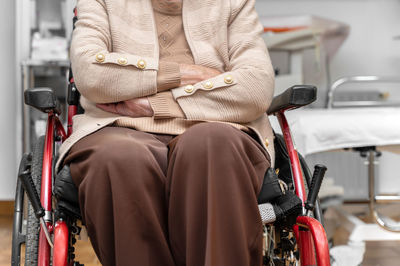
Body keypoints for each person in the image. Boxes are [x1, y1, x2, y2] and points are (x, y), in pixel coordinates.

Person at [58, 0, 275, 265]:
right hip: (116, 127)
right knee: (120, 157)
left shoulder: (232, 4)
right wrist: (186, 73)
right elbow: (92, 75)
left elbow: (255, 88)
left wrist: (157, 104)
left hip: (219, 128)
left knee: (211, 144)